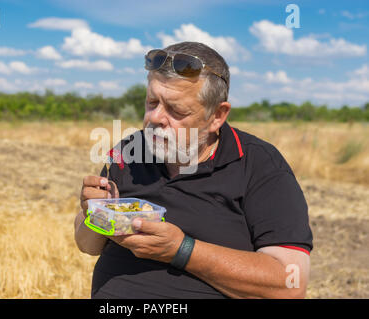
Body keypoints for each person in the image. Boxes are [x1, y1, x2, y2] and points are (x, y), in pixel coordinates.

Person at [74, 41, 313, 299]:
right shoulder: (129, 151)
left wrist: (182, 250)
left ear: (217, 116)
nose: (155, 118)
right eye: (151, 102)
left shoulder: (259, 165)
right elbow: (87, 245)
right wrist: (93, 213)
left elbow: (290, 284)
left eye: (176, 110)